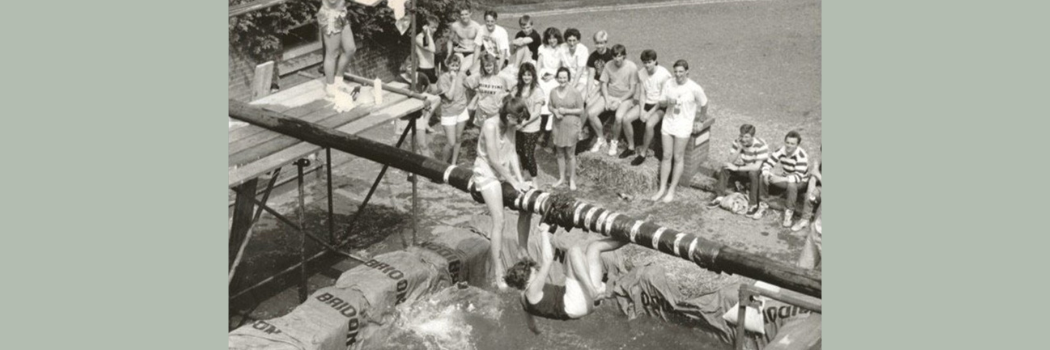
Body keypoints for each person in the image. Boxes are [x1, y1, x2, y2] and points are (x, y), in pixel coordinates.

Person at [505, 210, 627, 328]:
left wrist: (533, 328)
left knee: (594, 248)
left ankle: (628, 237)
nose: (536, 272)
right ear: (526, 281)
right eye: (533, 273)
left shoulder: (524, 298)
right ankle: (593, 291)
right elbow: (547, 260)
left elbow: (529, 317)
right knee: (573, 251)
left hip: (581, 304)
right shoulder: (533, 289)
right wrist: (543, 233)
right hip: (574, 304)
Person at [474, 96, 530, 290]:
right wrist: (513, 182)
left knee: (526, 205)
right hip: (486, 171)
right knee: (500, 220)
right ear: (508, 116)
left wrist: (521, 180)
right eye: (518, 120)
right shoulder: (490, 126)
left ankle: (523, 251)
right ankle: (498, 271)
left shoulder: (511, 125)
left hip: (502, 171)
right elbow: (495, 161)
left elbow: (512, 151)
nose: (520, 124)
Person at [650, 60, 708, 203]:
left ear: (687, 71)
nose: (678, 74)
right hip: (669, 123)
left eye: (681, 71)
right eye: (676, 71)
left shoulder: (694, 87)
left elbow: (704, 103)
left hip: (684, 125)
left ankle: (672, 190)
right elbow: (661, 102)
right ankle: (662, 188)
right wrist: (666, 102)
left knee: (678, 156)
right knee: (667, 155)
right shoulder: (669, 83)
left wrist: (700, 121)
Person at [624, 49, 672, 166]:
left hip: (660, 106)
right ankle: (631, 147)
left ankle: (643, 153)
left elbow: (662, 100)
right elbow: (642, 93)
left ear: (655, 61)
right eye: (645, 62)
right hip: (646, 103)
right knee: (626, 119)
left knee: (649, 124)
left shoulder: (664, 75)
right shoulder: (641, 73)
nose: (647, 65)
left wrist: (649, 113)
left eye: (649, 62)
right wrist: (641, 111)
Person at [713, 124, 769, 216]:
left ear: (752, 136)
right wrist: (739, 149)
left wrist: (737, 168)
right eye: (741, 136)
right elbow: (730, 161)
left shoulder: (761, 145)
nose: (743, 139)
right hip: (746, 167)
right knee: (725, 167)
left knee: (752, 173)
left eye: (746, 137)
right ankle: (719, 196)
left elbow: (756, 167)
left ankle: (753, 204)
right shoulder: (738, 141)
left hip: (758, 172)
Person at [758, 131, 810, 226]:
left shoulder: (801, 156)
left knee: (791, 185)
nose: (789, 146)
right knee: (762, 176)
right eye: (787, 142)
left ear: (797, 145)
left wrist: (780, 179)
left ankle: (788, 213)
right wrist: (766, 173)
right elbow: (767, 164)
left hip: (801, 182)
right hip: (785, 177)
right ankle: (763, 204)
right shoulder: (780, 151)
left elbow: (797, 177)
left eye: (792, 143)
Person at [599, 44, 639, 157]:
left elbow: (632, 91)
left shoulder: (632, 67)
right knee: (592, 113)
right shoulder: (608, 65)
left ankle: (614, 142)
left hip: (625, 98)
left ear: (624, 56)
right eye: (615, 56)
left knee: (619, 117)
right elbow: (603, 85)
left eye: (620, 56)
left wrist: (619, 101)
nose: (617, 59)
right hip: (610, 95)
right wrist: (607, 100)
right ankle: (599, 139)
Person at [317, 0, 358, 110]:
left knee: (350, 49)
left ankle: (338, 81)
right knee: (332, 53)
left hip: (341, 14)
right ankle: (330, 88)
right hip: (330, 15)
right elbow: (332, 2)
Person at [549, 67, 586, 190]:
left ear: (568, 78)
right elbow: (550, 106)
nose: (562, 80)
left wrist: (566, 111)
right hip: (557, 125)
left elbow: (581, 110)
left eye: (564, 77)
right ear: (557, 78)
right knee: (559, 153)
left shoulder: (575, 92)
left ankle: (572, 179)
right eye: (560, 77)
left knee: (570, 154)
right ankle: (561, 178)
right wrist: (555, 111)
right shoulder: (553, 91)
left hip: (571, 125)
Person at [512, 63, 547, 188]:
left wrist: (524, 123)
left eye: (529, 75)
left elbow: (537, 113)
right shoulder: (517, 89)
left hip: (531, 127)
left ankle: (534, 181)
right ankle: (525, 175)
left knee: (528, 153)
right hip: (517, 127)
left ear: (533, 76)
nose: (526, 77)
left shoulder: (537, 91)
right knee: (519, 151)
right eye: (524, 75)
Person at [436, 55, 471, 165]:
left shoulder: (462, 75)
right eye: (452, 66)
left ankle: (453, 164)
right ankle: (443, 163)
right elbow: (450, 96)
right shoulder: (443, 79)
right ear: (447, 65)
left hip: (461, 110)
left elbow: (468, 87)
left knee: (458, 137)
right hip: (448, 112)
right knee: (451, 142)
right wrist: (454, 79)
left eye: (457, 66)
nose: (455, 69)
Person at [583, 31, 614, 153]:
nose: (599, 46)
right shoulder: (592, 56)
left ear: (606, 42)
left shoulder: (611, 55)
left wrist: (595, 90)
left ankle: (583, 130)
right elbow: (591, 75)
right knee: (586, 100)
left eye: (602, 43)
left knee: (590, 105)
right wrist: (588, 91)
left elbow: (607, 79)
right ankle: (586, 131)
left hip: (606, 85)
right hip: (597, 83)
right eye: (597, 43)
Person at [535, 27, 564, 152]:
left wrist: (554, 76)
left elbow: (563, 66)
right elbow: (539, 64)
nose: (552, 40)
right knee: (541, 90)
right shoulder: (542, 48)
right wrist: (537, 79)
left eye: (554, 37)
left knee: (553, 92)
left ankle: (549, 131)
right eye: (549, 38)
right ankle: (543, 129)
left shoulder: (562, 49)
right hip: (543, 74)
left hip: (556, 76)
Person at [465, 54, 512, 127]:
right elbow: (466, 83)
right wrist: (477, 91)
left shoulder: (502, 76)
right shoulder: (480, 76)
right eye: (486, 66)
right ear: (483, 66)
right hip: (482, 111)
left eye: (490, 65)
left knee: (495, 134)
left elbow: (515, 84)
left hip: (496, 111)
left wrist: (506, 97)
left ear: (494, 64)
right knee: (482, 135)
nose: (488, 68)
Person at [792, 150, 821, 232]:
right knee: (812, 194)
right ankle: (805, 219)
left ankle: (816, 225)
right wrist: (814, 173)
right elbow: (813, 174)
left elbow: (816, 173)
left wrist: (816, 173)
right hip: (820, 189)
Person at [448, 6, 482, 75]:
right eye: (462, 14)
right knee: (453, 68)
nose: (464, 17)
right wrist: (448, 54)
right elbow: (450, 40)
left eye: (466, 14)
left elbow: (479, 45)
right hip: (459, 51)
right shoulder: (455, 26)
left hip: (471, 52)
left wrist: (475, 60)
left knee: (462, 70)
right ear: (459, 15)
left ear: (470, 13)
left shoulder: (476, 27)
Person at [414, 15, 439, 85]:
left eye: (436, 28)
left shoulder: (429, 37)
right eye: (433, 28)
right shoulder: (419, 37)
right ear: (426, 26)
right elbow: (432, 49)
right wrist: (427, 33)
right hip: (423, 69)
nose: (435, 30)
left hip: (431, 68)